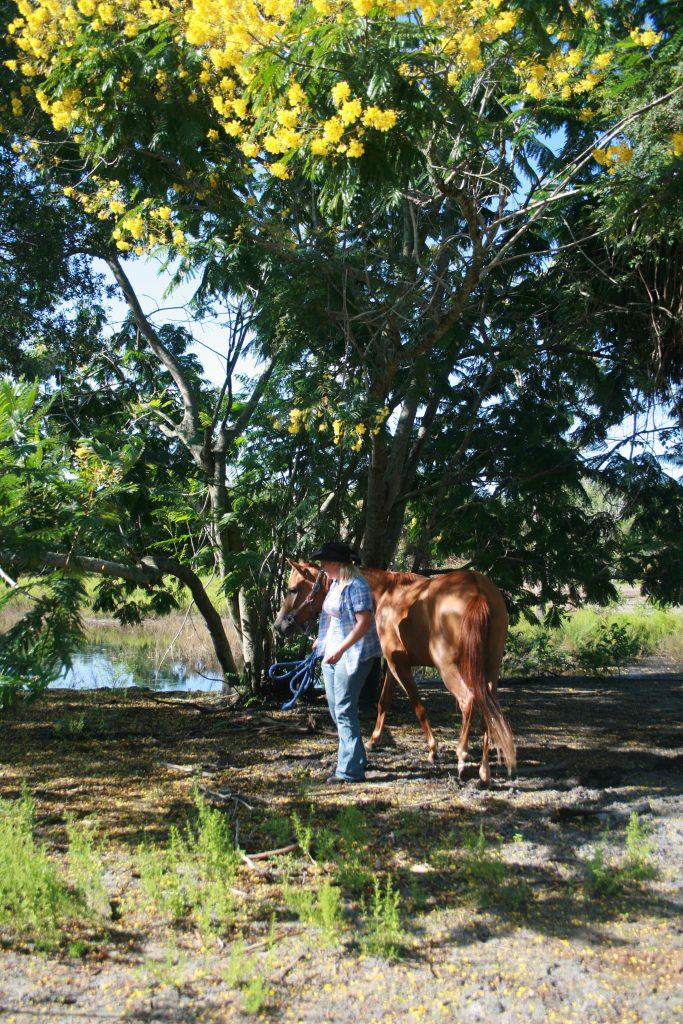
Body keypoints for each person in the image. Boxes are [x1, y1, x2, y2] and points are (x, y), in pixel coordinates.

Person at [310, 541, 381, 783]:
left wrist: (340, 649)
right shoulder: (335, 584)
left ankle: (349, 771)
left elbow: (363, 624)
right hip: (331, 653)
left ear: (338, 564)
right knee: (335, 708)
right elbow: (331, 618)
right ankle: (355, 757)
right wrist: (321, 641)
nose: (322, 567)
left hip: (353, 655)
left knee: (344, 709)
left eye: (325, 562)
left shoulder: (357, 586)